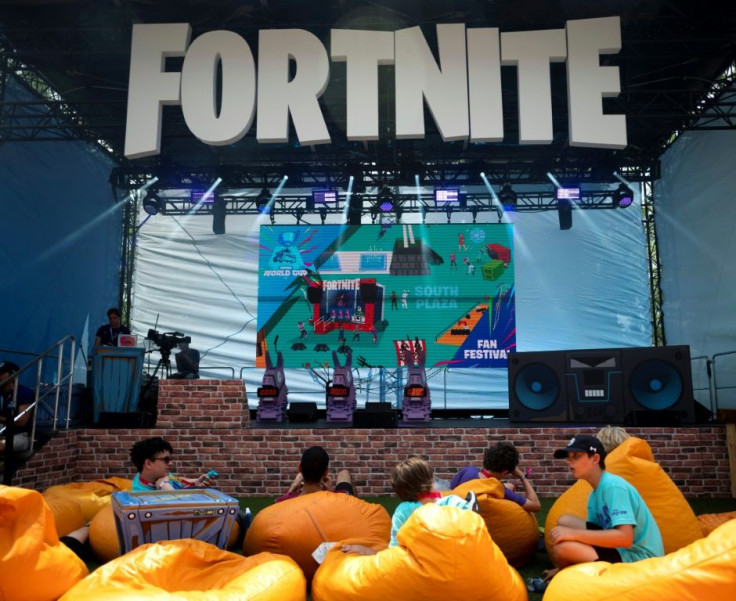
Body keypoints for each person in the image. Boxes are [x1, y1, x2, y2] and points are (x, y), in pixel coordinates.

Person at [545, 434, 664, 581]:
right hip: (620, 550)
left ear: (595, 459)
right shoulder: (595, 494)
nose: (569, 462)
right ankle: (565, 574)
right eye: (568, 457)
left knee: (562, 548)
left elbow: (625, 538)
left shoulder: (614, 487)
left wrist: (572, 535)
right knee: (565, 521)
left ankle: (566, 579)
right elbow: (595, 535)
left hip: (640, 561)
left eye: (575, 456)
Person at [342, 457, 478, 555]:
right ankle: (466, 509)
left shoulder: (402, 510)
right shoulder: (448, 501)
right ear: (431, 480)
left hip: (416, 557)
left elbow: (395, 548)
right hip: (448, 552)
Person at [450, 441, 541, 513]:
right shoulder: (498, 488)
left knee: (509, 486)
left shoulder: (467, 471)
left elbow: (452, 489)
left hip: (453, 516)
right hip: (479, 525)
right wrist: (522, 476)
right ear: (505, 471)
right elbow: (535, 505)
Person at [129, 436, 215, 491]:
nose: (171, 463)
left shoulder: (159, 475)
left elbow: (176, 479)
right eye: (166, 460)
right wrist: (163, 486)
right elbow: (180, 506)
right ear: (148, 463)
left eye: (171, 459)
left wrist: (195, 482)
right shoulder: (140, 495)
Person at [276, 445, 354, 502]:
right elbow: (349, 500)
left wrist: (290, 491)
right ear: (325, 472)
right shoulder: (343, 498)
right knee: (344, 473)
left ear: (300, 468)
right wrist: (331, 492)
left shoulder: (283, 502)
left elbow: (278, 506)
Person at [0, 360, 34, 453]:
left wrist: (1, 419)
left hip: (21, 436)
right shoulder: (2, 393)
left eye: (2, 373)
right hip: (4, 433)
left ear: (12, 375)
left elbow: (21, 422)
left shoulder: (24, 392)